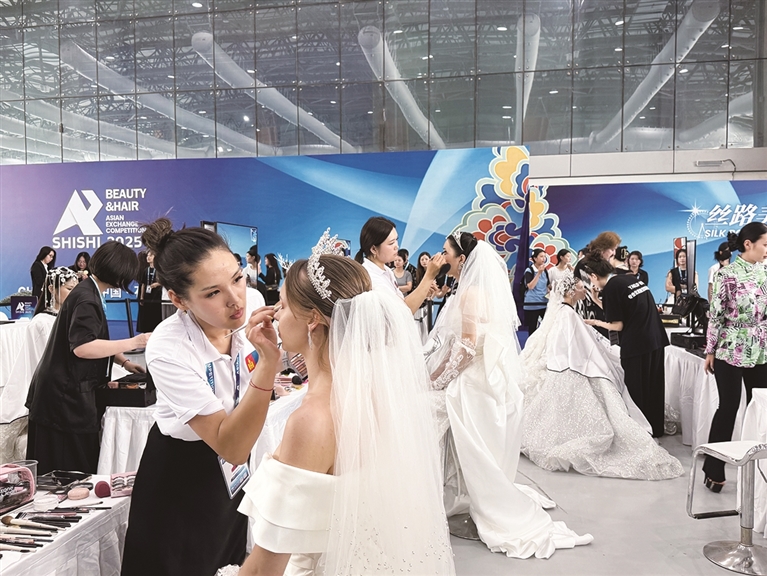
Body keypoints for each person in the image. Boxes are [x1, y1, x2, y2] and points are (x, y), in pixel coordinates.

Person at [223, 231, 454, 575]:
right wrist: (269, 360)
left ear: (313, 319)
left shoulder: (312, 420)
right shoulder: (373, 396)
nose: (274, 315)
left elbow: (264, 568)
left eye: (282, 305)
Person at [121, 218, 278, 576]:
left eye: (237, 278)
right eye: (212, 293)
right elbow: (230, 445)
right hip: (181, 476)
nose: (235, 299)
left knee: (228, 562)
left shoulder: (250, 303)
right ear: (178, 299)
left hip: (232, 473)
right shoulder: (169, 347)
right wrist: (268, 368)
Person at [427, 231, 592, 558]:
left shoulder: (470, 293)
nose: (441, 257)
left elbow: (467, 347)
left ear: (462, 259)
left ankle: (458, 496)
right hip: (482, 373)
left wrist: (438, 379)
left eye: (446, 252)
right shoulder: (471, 289)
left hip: (473, 380)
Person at [520, 272, 683, 480]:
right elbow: (577, 346)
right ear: (572, 291)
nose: (585, 290)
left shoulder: (564, 312)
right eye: (582, 287)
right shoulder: (568, 315)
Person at [25, 242, 147, 475]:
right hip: (63, 398)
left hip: (63, 392)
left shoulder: (89, 292)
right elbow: (83, 347)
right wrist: (135, 342)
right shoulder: (87, 298)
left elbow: (95, 337)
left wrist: (124, 362)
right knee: (66, 473)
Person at [702, 222, 767, 493]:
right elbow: (716, 316)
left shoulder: (765, 272)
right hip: (729, 348)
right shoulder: (726, 274)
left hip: (761, 349)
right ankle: (713, 468)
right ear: (748, 244)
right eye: (765, 244)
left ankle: (759, 470)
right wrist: (710, 350)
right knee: (728, 407)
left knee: (761, 407)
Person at [582, 257, 669, 437]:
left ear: (594, 276)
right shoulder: (626, 279)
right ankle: (655, 428)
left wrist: (595, 322)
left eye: (590, 278)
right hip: (656, 338)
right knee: (654, 386)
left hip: (637, 343)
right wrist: (597, 300)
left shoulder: (611, 288)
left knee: (636, 390)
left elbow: (617, 325)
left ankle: (640, 432)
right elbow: (622, 310)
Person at [1, 267, 79, 461]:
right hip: (50, 387)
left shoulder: (70, 317)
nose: (73, 294)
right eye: (69, 289)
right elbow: (42, 362)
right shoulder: (41, 322)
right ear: (52, 289)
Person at [354, 216, 446, 315]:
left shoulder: (386, 270)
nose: (396, 246)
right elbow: (402, 312)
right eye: (391, 243)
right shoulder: (370, 278)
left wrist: (423, 291)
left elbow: (401, 302)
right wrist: (429, 275)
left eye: (396, 240)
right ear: (373, 249)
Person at [573, 231, 621, 339]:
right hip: (591, 311)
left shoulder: (603, 262)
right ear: (603, 247)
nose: (614, 253)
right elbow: (590, 288)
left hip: (602, 308)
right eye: (612, 249)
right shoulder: (585, 264)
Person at [523, 248, 549, 334]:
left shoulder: (545, 270)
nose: (543, 258)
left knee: (547, 326)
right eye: (541, 256)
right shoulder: (529, 270)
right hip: (532, 303)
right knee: (532, 328)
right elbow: (530, 286)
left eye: (544, 256)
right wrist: (538, 273)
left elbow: (547, 285)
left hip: (544, 302)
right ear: (535, 258)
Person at [136, 250, 163, 333]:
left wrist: (157, 284)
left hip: (156, 296)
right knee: (146, 314)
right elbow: (143, 284)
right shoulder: (146, 270)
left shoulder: (159, 270)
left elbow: (165, 282)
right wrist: (141, 297)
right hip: (147, 295)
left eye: (151, 255)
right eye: (147, 256)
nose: (148, 257)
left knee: (155, 314)